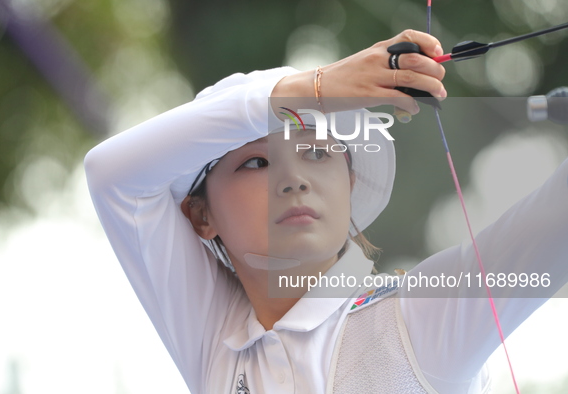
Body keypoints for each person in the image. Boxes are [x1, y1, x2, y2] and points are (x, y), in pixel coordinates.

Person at [84, 29, 568, 393]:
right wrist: (313, 89)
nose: (294, 180)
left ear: (349, 182)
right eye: (256, 162)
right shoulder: (218, 338)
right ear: (201, 216)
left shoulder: (420, 316)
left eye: (318, 153)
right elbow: (111, 175)